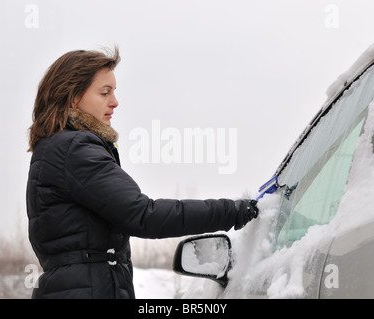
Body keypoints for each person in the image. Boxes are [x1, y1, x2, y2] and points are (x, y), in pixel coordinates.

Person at [26, 48, 258, 299]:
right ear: (72, 97)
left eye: (114, 92)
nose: (115, 102)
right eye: (105, 93)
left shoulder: (59, 148)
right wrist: (233, 211)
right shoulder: (73, 149)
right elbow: (144, 215)